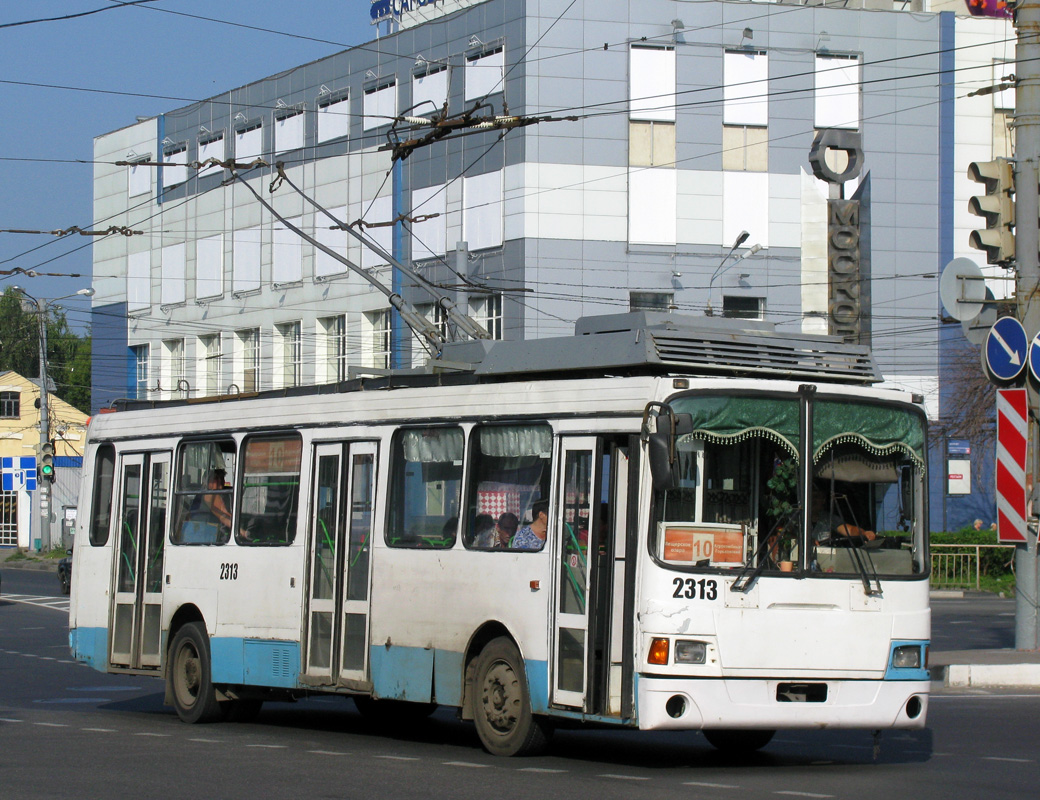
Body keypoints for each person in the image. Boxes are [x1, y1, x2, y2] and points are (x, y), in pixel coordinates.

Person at [811, 485, 876, 543]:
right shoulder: (801, 518)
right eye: (811, 497)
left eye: (817, 497)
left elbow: (849, 530)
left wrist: (864, 533)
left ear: (823, 500)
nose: (813, 500)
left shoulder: (829, 518)